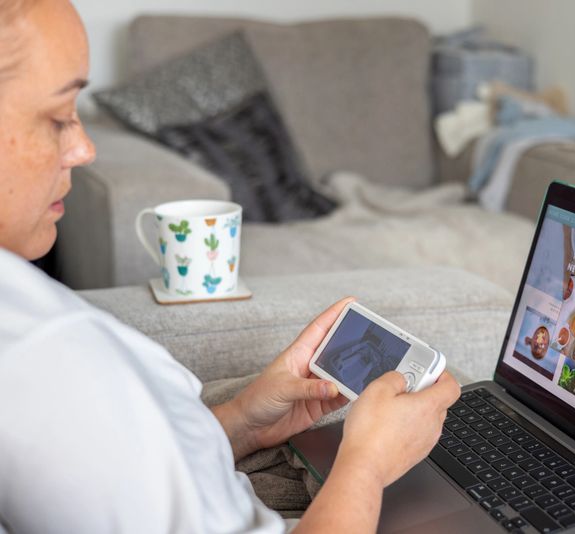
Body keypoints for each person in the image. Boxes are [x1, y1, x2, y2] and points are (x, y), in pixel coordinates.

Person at [0, 0, 461, 532]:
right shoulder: (33, 356)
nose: (83, 148)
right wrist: (367, 464)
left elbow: (110, 476)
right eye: (58, 116)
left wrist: (242, 420)